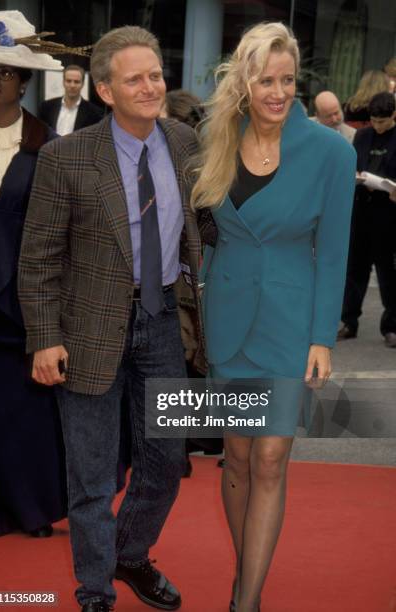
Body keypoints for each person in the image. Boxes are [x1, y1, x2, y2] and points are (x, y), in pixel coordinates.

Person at [18, 25, 204, 612]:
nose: (151, 86)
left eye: (155, 74)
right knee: (93, 477)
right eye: (135, 79)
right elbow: (39, 257)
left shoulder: (184, 143)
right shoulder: (64, 157)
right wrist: (44, 339)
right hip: (87, 330)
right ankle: (94, 589)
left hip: (164, 321)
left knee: (168, 460)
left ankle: (129, 553)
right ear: (105, 90)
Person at [192, 22, 356, 612]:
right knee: (234, 455)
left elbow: (334, 250)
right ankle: (249, 573)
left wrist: (322, 336)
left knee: (269, 456)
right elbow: (207, 235)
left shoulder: (332, 152)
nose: (279, 91)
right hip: (229, 317)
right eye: (266, 79)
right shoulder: (216, 135)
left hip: (291, 321)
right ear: (245, 81)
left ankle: (247, 601)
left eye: (288, 80)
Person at [0, 10, 69, 538]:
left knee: (24, 413)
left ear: (23, 80)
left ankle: (31, 506)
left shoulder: (50, 148)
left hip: (25, 306)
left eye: (2, 70)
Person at [338, 92, 396, 347]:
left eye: (383, 122)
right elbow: (351, 164)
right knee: (354, 272)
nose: (378, 126)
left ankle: (391, 327)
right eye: (374, 121)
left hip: (389, 216)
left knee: (389, 274)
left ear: (394, 115)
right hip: (361, 212)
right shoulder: (362, 136)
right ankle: (349, 322)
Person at [38, 64, 103, 135]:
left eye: (76, 82)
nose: (72, 85)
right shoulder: (47, 107)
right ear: (63, 82)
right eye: (68, 81)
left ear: (83, 84)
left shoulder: (94, 113)